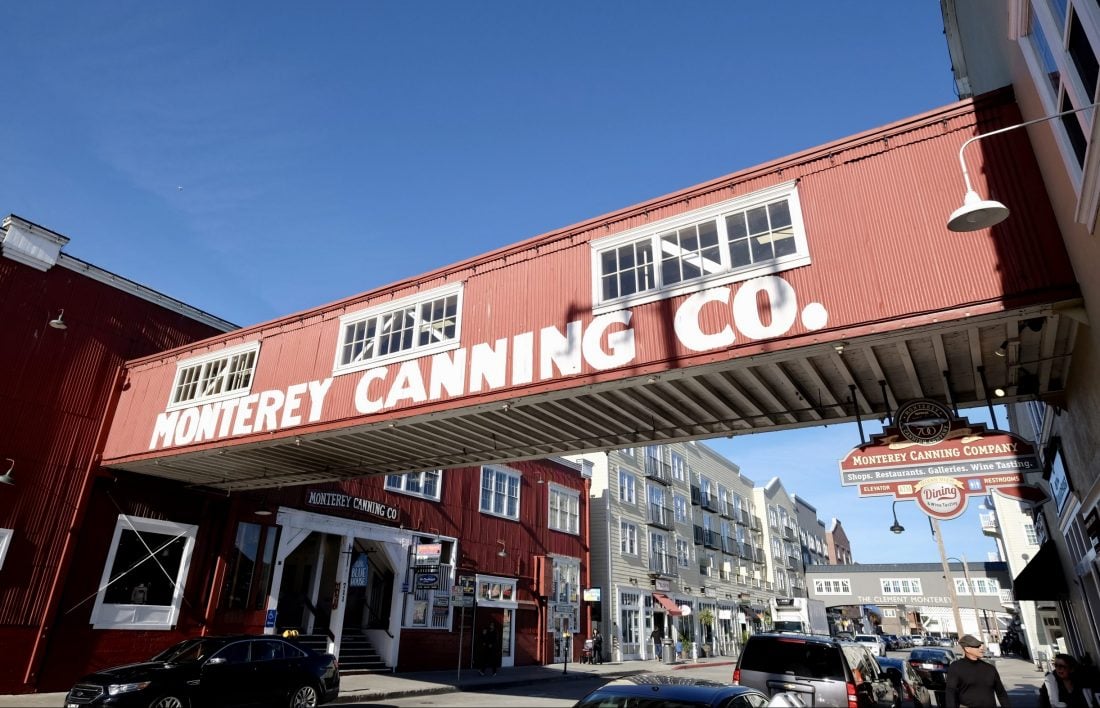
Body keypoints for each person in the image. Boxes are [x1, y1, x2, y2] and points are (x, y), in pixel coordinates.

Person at [945, 634, 1011, 707]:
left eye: (981, 645)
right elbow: (950, 693)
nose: (981, 648)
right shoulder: (956, 667)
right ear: (967, 649)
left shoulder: (990, 668)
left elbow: (1001, 693)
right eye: (977, 646)